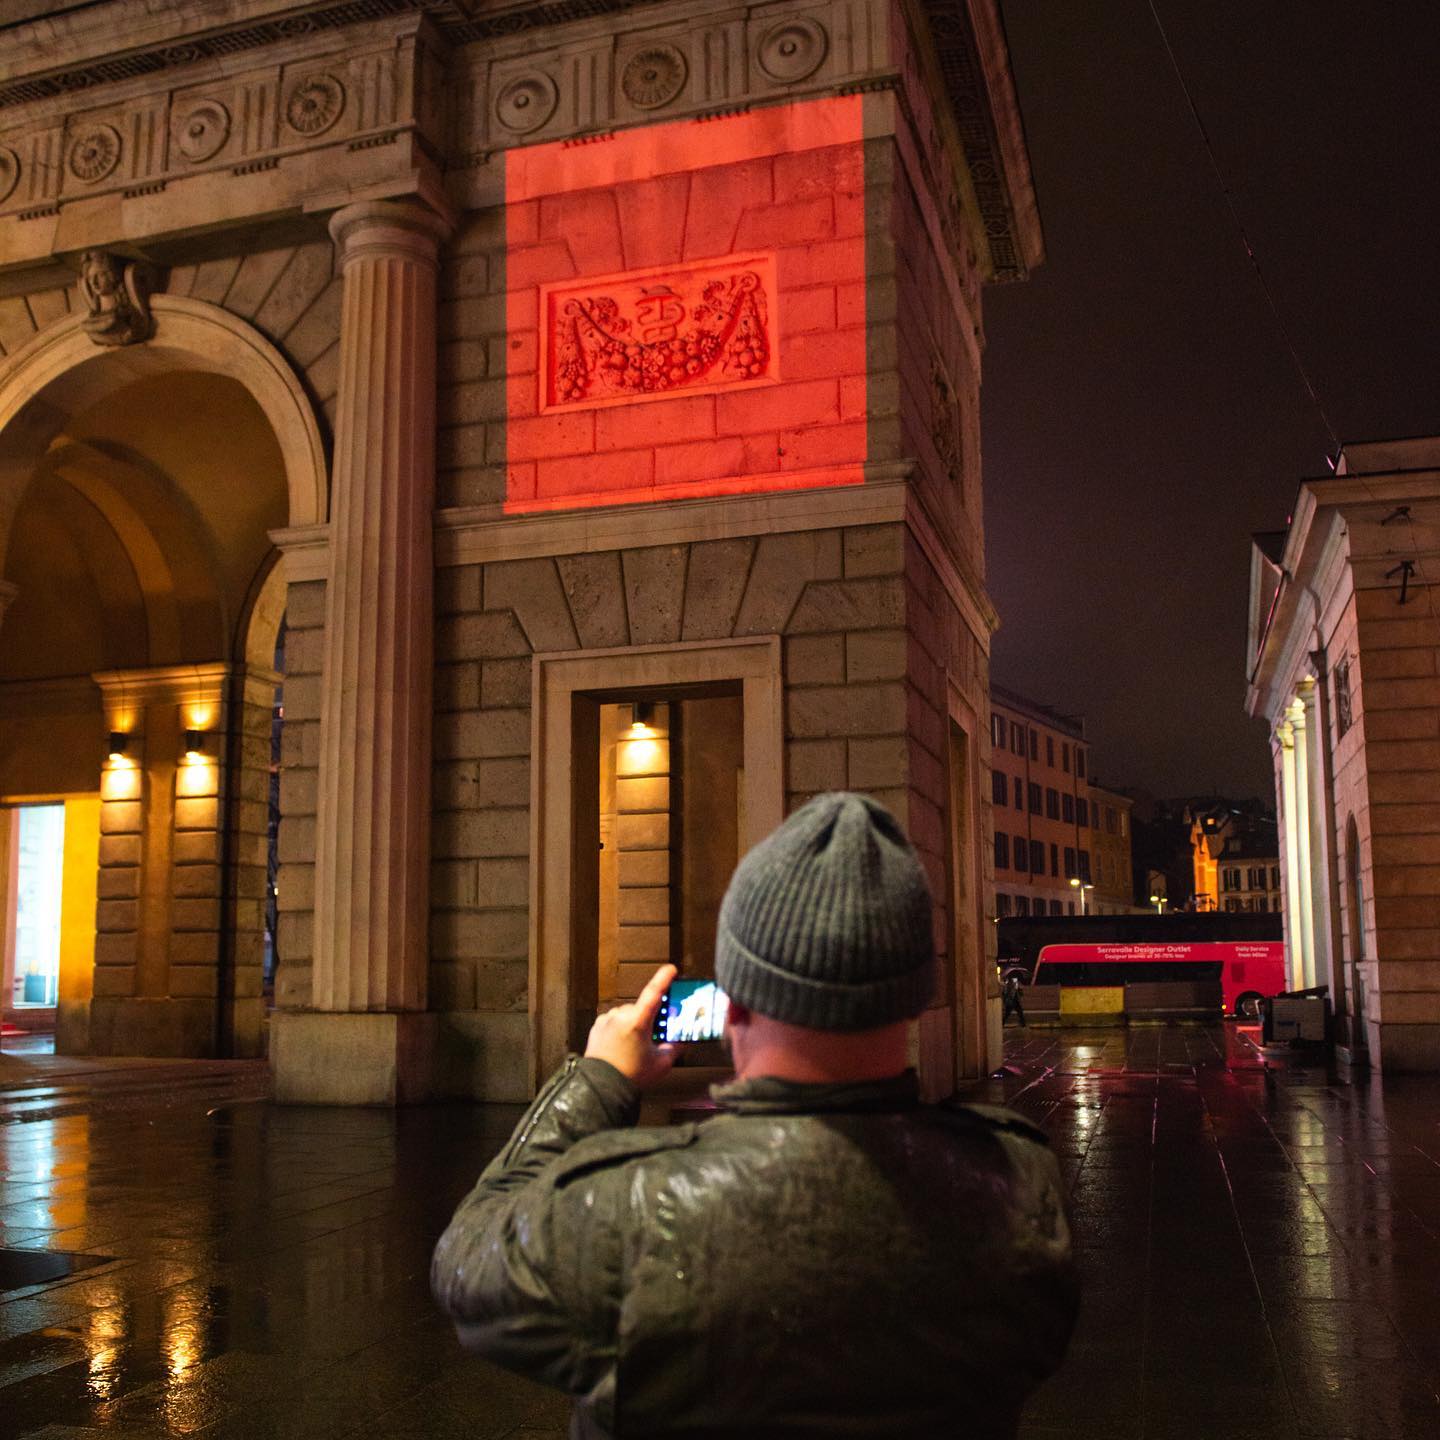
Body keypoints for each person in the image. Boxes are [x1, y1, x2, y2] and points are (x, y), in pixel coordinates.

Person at [432, 793, 1077, 1439]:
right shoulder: (1019, 1184)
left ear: (735, 1004)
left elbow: (468, 1266)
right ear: (910, 1004)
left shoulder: (631, 1207)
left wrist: (597, 1081)